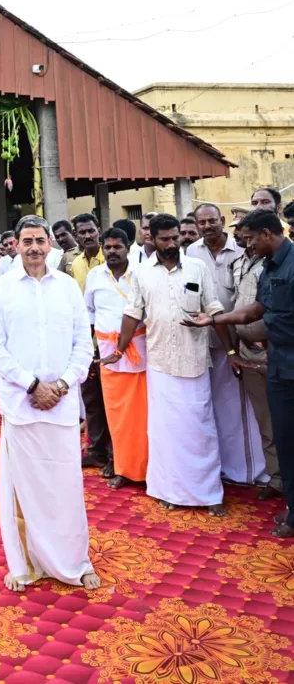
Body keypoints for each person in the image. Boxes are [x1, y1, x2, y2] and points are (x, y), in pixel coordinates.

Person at [0, 216, 99, 591]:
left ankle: (74, 563)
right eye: (27, 240)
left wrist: (62, 384)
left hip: (62, 405)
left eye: (40, 240)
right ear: (15, 245)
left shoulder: (67, 287)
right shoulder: (1, 289)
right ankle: (25, 565)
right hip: (21, 405)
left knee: (66, 487)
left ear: (50, 244)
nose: (34, 247)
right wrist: (32, 385)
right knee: (24, 489)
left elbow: (84, 343)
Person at [183, 209, 294, 537]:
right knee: (285, 439)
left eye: (249, 239)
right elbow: (255, 310)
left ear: (266, 234)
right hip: (278, 366)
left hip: (288, 360)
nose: (246, 245)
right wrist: (214, 320)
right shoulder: (270, 266)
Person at [109, 214, 228, 515]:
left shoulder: (197, 268)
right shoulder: (142, 273)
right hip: (160, 364)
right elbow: (132, 313)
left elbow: (214, 310)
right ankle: (170, 491)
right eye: (165, 239)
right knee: (166, 432)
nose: (172, 243)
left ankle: (209, 494)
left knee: (200, 431)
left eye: (175, 238)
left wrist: (233, 350)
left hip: (194, 362)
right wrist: (120, 349)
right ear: (152, 239)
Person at [187, 203, 266, 486]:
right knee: (216, 409)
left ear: (222, 221)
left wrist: (233, 348)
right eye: (202, 222)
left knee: (244, 411)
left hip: (239, 343)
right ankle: (223, 468)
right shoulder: (191, 253)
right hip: (205, 343)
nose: (207, 226)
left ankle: (251, 471)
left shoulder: (243, 249)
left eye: (212, 221)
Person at [85, 228, 148, 489]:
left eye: (117, 246)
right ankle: (120, 465)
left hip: (140, 356)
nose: (112, 251)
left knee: (141, 417)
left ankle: (144, 468)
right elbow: (88, 315)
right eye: (107, 247)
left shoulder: (142, 274)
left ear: (128, 246)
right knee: (115, 416)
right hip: (108, 356)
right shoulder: (95, 276)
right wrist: (92, 352)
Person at [230, 222, 283, 499]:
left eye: (250, 236)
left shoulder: (280, 263)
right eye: (242, 235)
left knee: (286, 421)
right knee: (266, 422)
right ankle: (278, 480)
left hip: (277, 353)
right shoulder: (238, 262)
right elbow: (238, 304)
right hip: (248, 352)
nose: (246, 241)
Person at [67, 214, 111, 471]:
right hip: (86, 341)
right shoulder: (76, 265)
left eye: (90, 231)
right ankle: (96, 450)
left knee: (112, 401)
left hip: (111, 342)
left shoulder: (114, 258)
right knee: (92, 400)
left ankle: (117, 454)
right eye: (81, 232)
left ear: (99, 230)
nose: (86, 236)